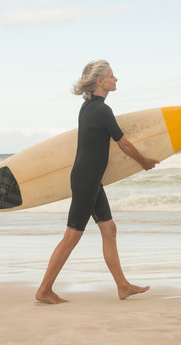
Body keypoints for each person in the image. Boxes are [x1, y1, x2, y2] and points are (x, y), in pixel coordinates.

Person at [35, 60, 159, 304]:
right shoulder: (102, 110)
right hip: (86, 181)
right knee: (71, 236)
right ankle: (44, 290)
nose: (116, 79)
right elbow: (122, 143)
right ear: (100, 81)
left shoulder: (87, 108)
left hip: (90, 179)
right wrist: (143, 162)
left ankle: (123, 286)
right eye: (112, 76)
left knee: (109, 230)